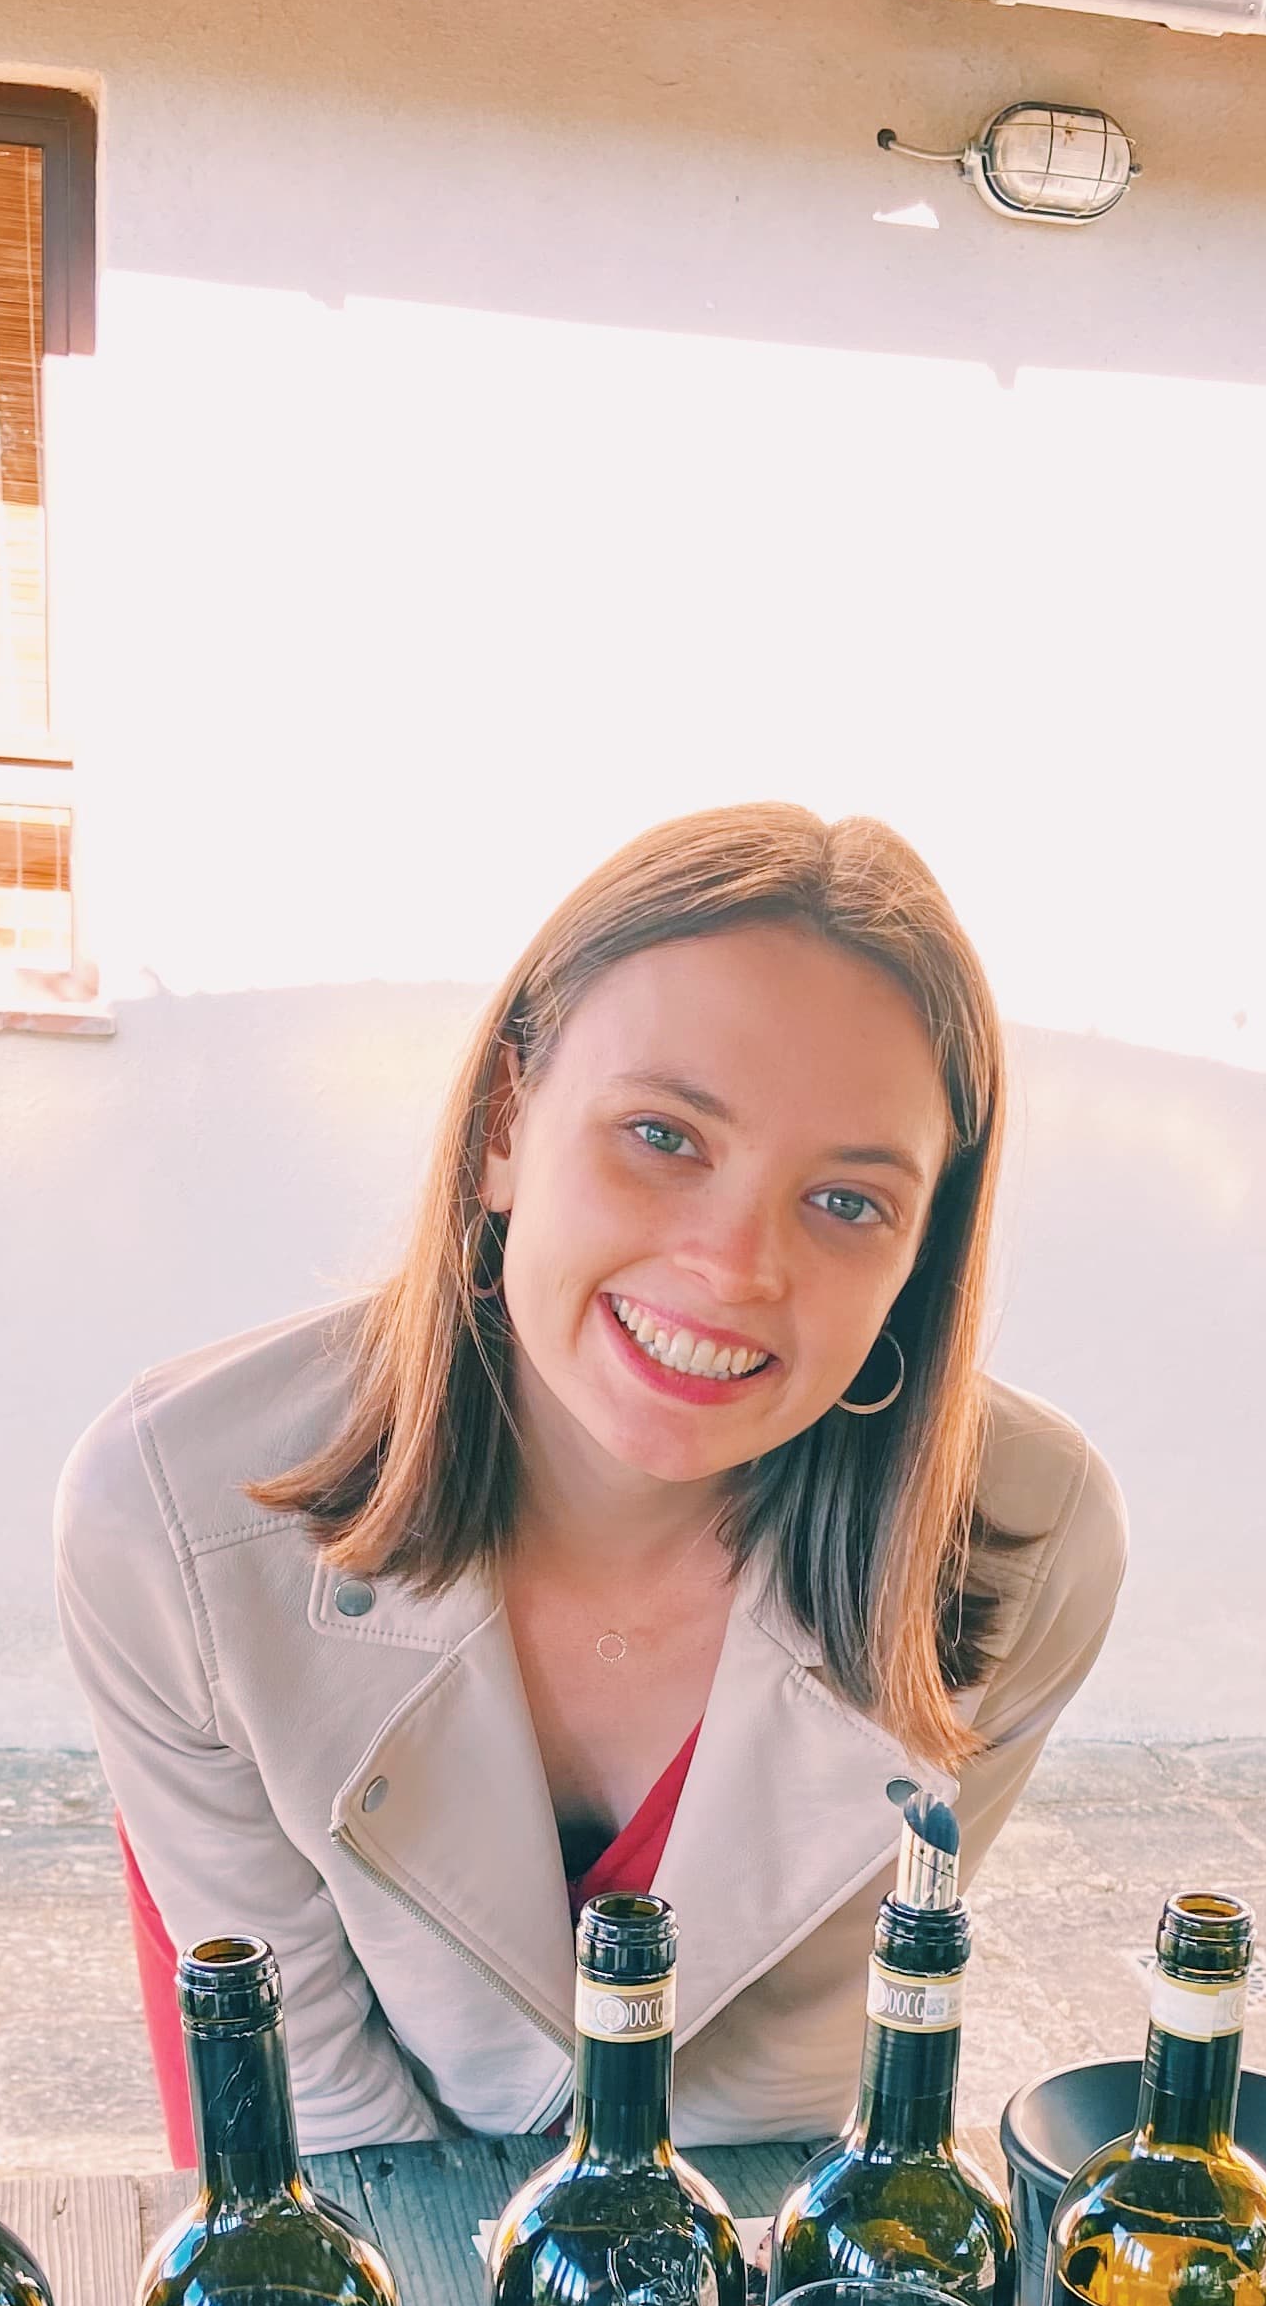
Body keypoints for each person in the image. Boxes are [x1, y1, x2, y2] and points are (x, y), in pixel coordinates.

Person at [54, 803, 1126, 2150]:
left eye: (848, 1202)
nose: (737, 1270)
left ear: (919, 1261)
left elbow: (779, 2093)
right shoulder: (169, 1516)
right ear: (510, 1119)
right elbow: (307, 2118)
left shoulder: (1028, 1545)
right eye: (665, 1137)